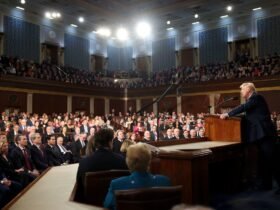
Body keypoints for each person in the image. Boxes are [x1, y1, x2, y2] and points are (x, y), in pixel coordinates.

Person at [220, 82, 280, 194]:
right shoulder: (252, 101)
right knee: (264, 161)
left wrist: (228, 114)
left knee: (272, 160)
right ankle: (266, 185)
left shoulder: (257, 97)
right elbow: (249, 115)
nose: (241, 92)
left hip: (266, 134)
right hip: (261, 135)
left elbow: (244, 107)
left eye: (242, 90)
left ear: (248, 90)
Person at [104, 143, 171, 210]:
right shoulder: (164, 181)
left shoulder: (117, 184)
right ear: (149, 161)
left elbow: (106, 206)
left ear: (128, 162)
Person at [76, 128, 127, 202]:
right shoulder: (121, 160)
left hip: (91, 204)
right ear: (110, 142)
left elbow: (79, 189)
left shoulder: (84, 162)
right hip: (115, 203)